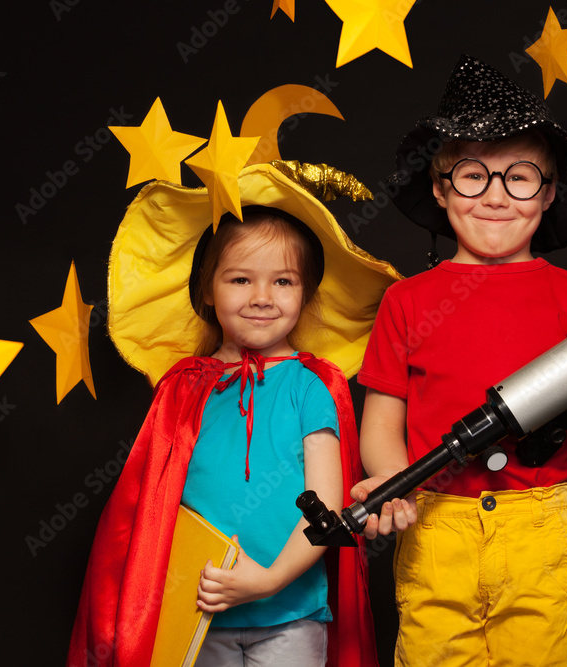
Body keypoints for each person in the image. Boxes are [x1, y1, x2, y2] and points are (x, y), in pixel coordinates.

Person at [350, 55, 567, 666]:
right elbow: (380, 424)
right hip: (436, 529)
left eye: (520, 177)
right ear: (440, 186)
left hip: (541, 531)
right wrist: (396, 490)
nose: (496, 197)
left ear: (550, 190)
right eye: (473, 175)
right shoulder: (405, 301)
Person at [68, 162, 400, 667]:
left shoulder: (311, 387)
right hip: (196, 617)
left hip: (291, 618)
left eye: (283, 281)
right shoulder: (183, 387)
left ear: (305, 294)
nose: (262, 298)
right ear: (207, 291)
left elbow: (329, 506)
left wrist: (269, 580)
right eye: (241, 279)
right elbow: (150, 508)